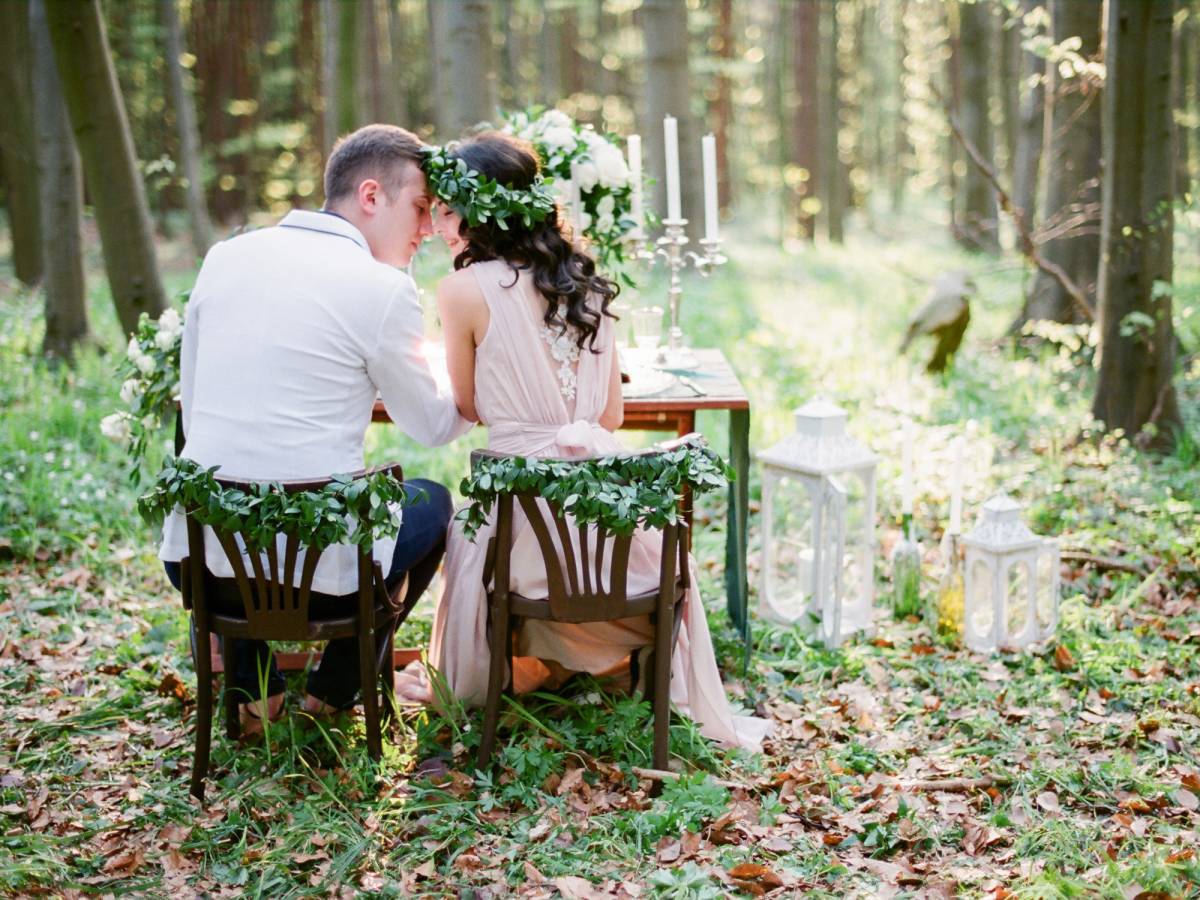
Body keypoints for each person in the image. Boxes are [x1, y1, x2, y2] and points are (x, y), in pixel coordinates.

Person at [394, 132, 768, 751]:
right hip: (609, 538)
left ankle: (513, 673)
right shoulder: (590, 289)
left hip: (523, 535)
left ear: (482, 211)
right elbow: (613, 414)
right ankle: (569, 670)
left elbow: (468, 406)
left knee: (471, 528)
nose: (439, 225)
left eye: (448, 209)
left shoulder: (462, 291)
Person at [159, 124, 473, 732]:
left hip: (199, 567)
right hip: (320, 580)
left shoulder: (226, 257)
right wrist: (478, 375)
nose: (429, 228)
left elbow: (193, 412)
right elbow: (433, 425)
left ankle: (257, 696)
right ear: (372, 195)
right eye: (419, 208)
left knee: (239, 498)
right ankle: (333, 690)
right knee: (432, 503)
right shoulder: (383, 287)